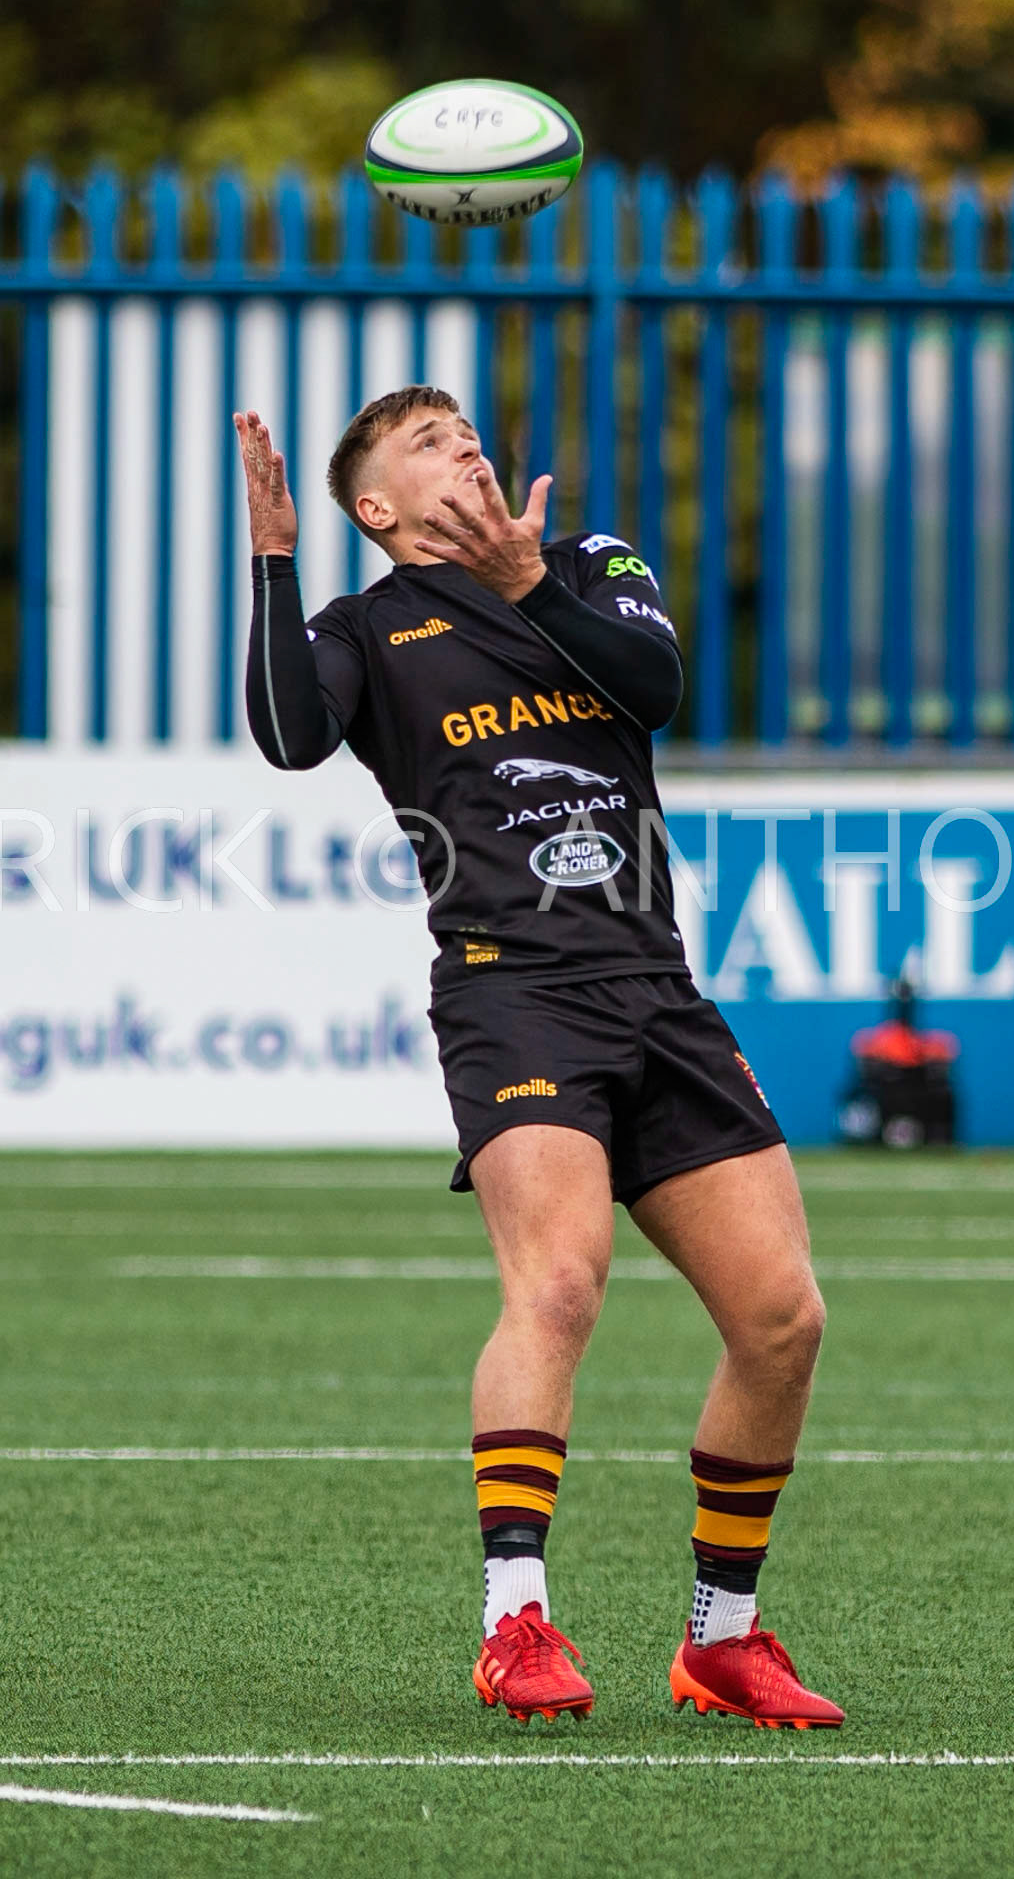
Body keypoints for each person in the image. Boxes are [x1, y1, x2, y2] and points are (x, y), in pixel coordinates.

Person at [237, 386, 842, 1729]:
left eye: (464, 426)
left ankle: (721, 1638)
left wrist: (529, 584)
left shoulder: (594, 567)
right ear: (375, 510)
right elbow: (288, 736)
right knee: (561, 1282)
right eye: (424, 440)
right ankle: (517, 1620)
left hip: (657, 989)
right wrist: (275, 564)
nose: (462, 441)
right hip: (515, 998)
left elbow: (654, 690)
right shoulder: (364, 630)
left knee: (783, 1318)